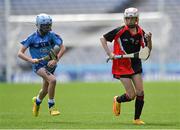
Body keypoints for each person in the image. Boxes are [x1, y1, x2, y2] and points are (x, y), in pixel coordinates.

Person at [100, 7, 152, 125]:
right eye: (127, 18)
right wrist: (110, 53)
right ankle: (117, 99)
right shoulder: (120, 30)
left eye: (131, 18)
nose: (129, 21)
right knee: (131, 95)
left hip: (135, 64)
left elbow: (147, 52)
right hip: (121, 65)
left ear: (136, 19)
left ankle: (136, 119)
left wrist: (149, 41)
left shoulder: (141, 32)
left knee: (140, 92)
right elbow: (102, 38)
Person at [17, 13, 66, 117]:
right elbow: (20, 53)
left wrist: (56, 60)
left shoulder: (52, 35)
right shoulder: (31, 38)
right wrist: (30, 60)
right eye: (44, 25)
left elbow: (62, 48)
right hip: (39, 66)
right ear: (38, 25)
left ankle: (37, 102)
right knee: (53, 80)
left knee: (45, 89)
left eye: (48, 25)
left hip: (51, 65)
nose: (47, 27)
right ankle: (51, 106)